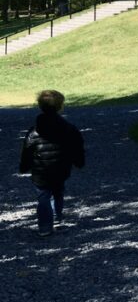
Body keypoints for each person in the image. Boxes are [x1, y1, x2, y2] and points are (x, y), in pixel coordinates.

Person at [19, 90, 85, 237]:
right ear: (60, 106)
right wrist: (79, 161)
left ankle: (44, 227)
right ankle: (57, 220)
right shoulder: (68, 128)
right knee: (58, 192)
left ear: (40, 106)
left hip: (40, 170)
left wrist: (24, 166)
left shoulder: (34, 131)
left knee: (43, 196)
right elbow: (77, 146)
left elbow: (27, 149)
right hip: (61, 168)